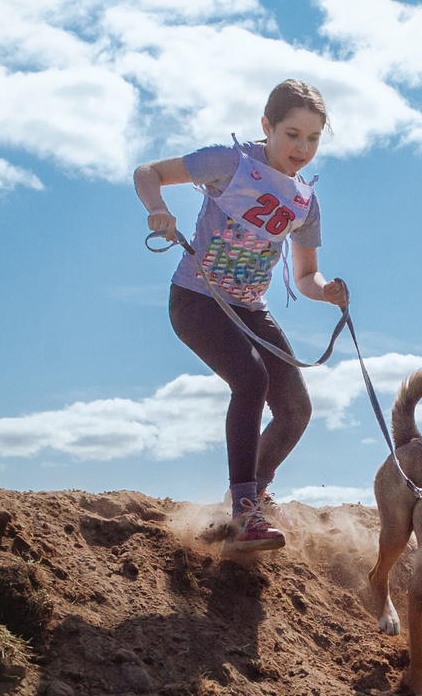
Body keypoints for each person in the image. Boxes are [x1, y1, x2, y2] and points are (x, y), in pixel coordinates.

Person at [135, 80, 349, 553]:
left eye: (313, 139)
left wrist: (327, 291)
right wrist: (158, 210)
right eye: (292, 133)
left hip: (251, 309)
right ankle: (244, 510)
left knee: (296, 411)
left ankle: (252, 497)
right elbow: (147, 171)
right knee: (251, 380)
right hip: (197, 300)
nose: (302, 148)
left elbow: (306, 275)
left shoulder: (304, 202)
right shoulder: (230, 163)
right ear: (266, 126)